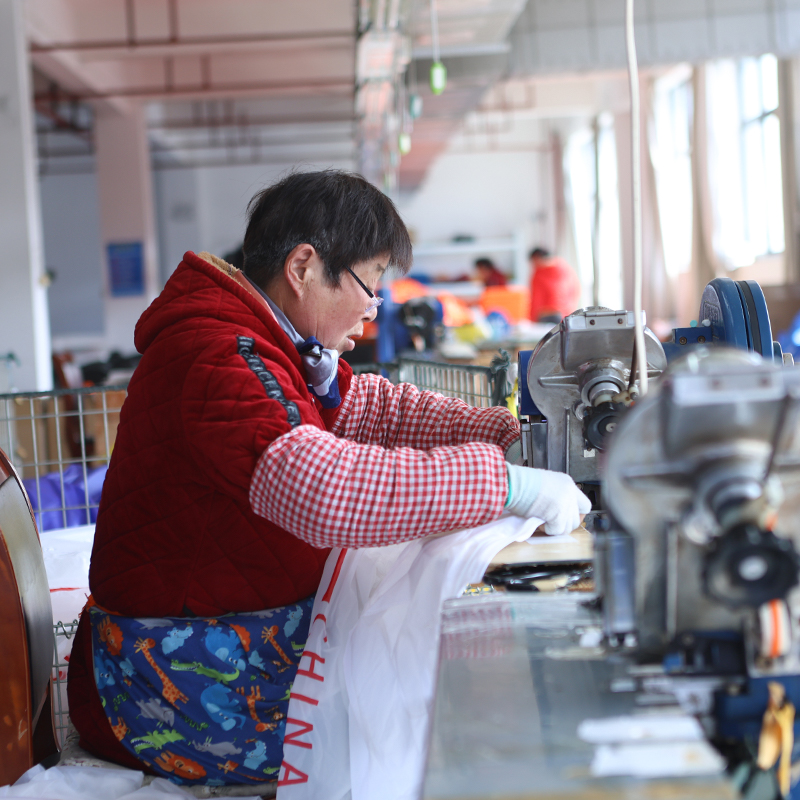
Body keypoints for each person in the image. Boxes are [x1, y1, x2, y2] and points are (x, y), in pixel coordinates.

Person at [67, 170, 590, 787]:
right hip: (165, 679)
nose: (373, 312)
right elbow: (322, 489)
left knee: (435, 677)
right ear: (304, 268)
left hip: (224, 637)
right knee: (434, 716)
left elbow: (377, 412)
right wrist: (506, 486)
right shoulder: (214, 356)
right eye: (371, 285)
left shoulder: (277, 346)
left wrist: (512, 437)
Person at [528, 247, 581, 323]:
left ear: (536, 258)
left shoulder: (539, 273)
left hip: (547, 315)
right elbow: (575, 291)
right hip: (567, 315)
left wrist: (532, 319)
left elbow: (536, 298)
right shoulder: (566, 268)